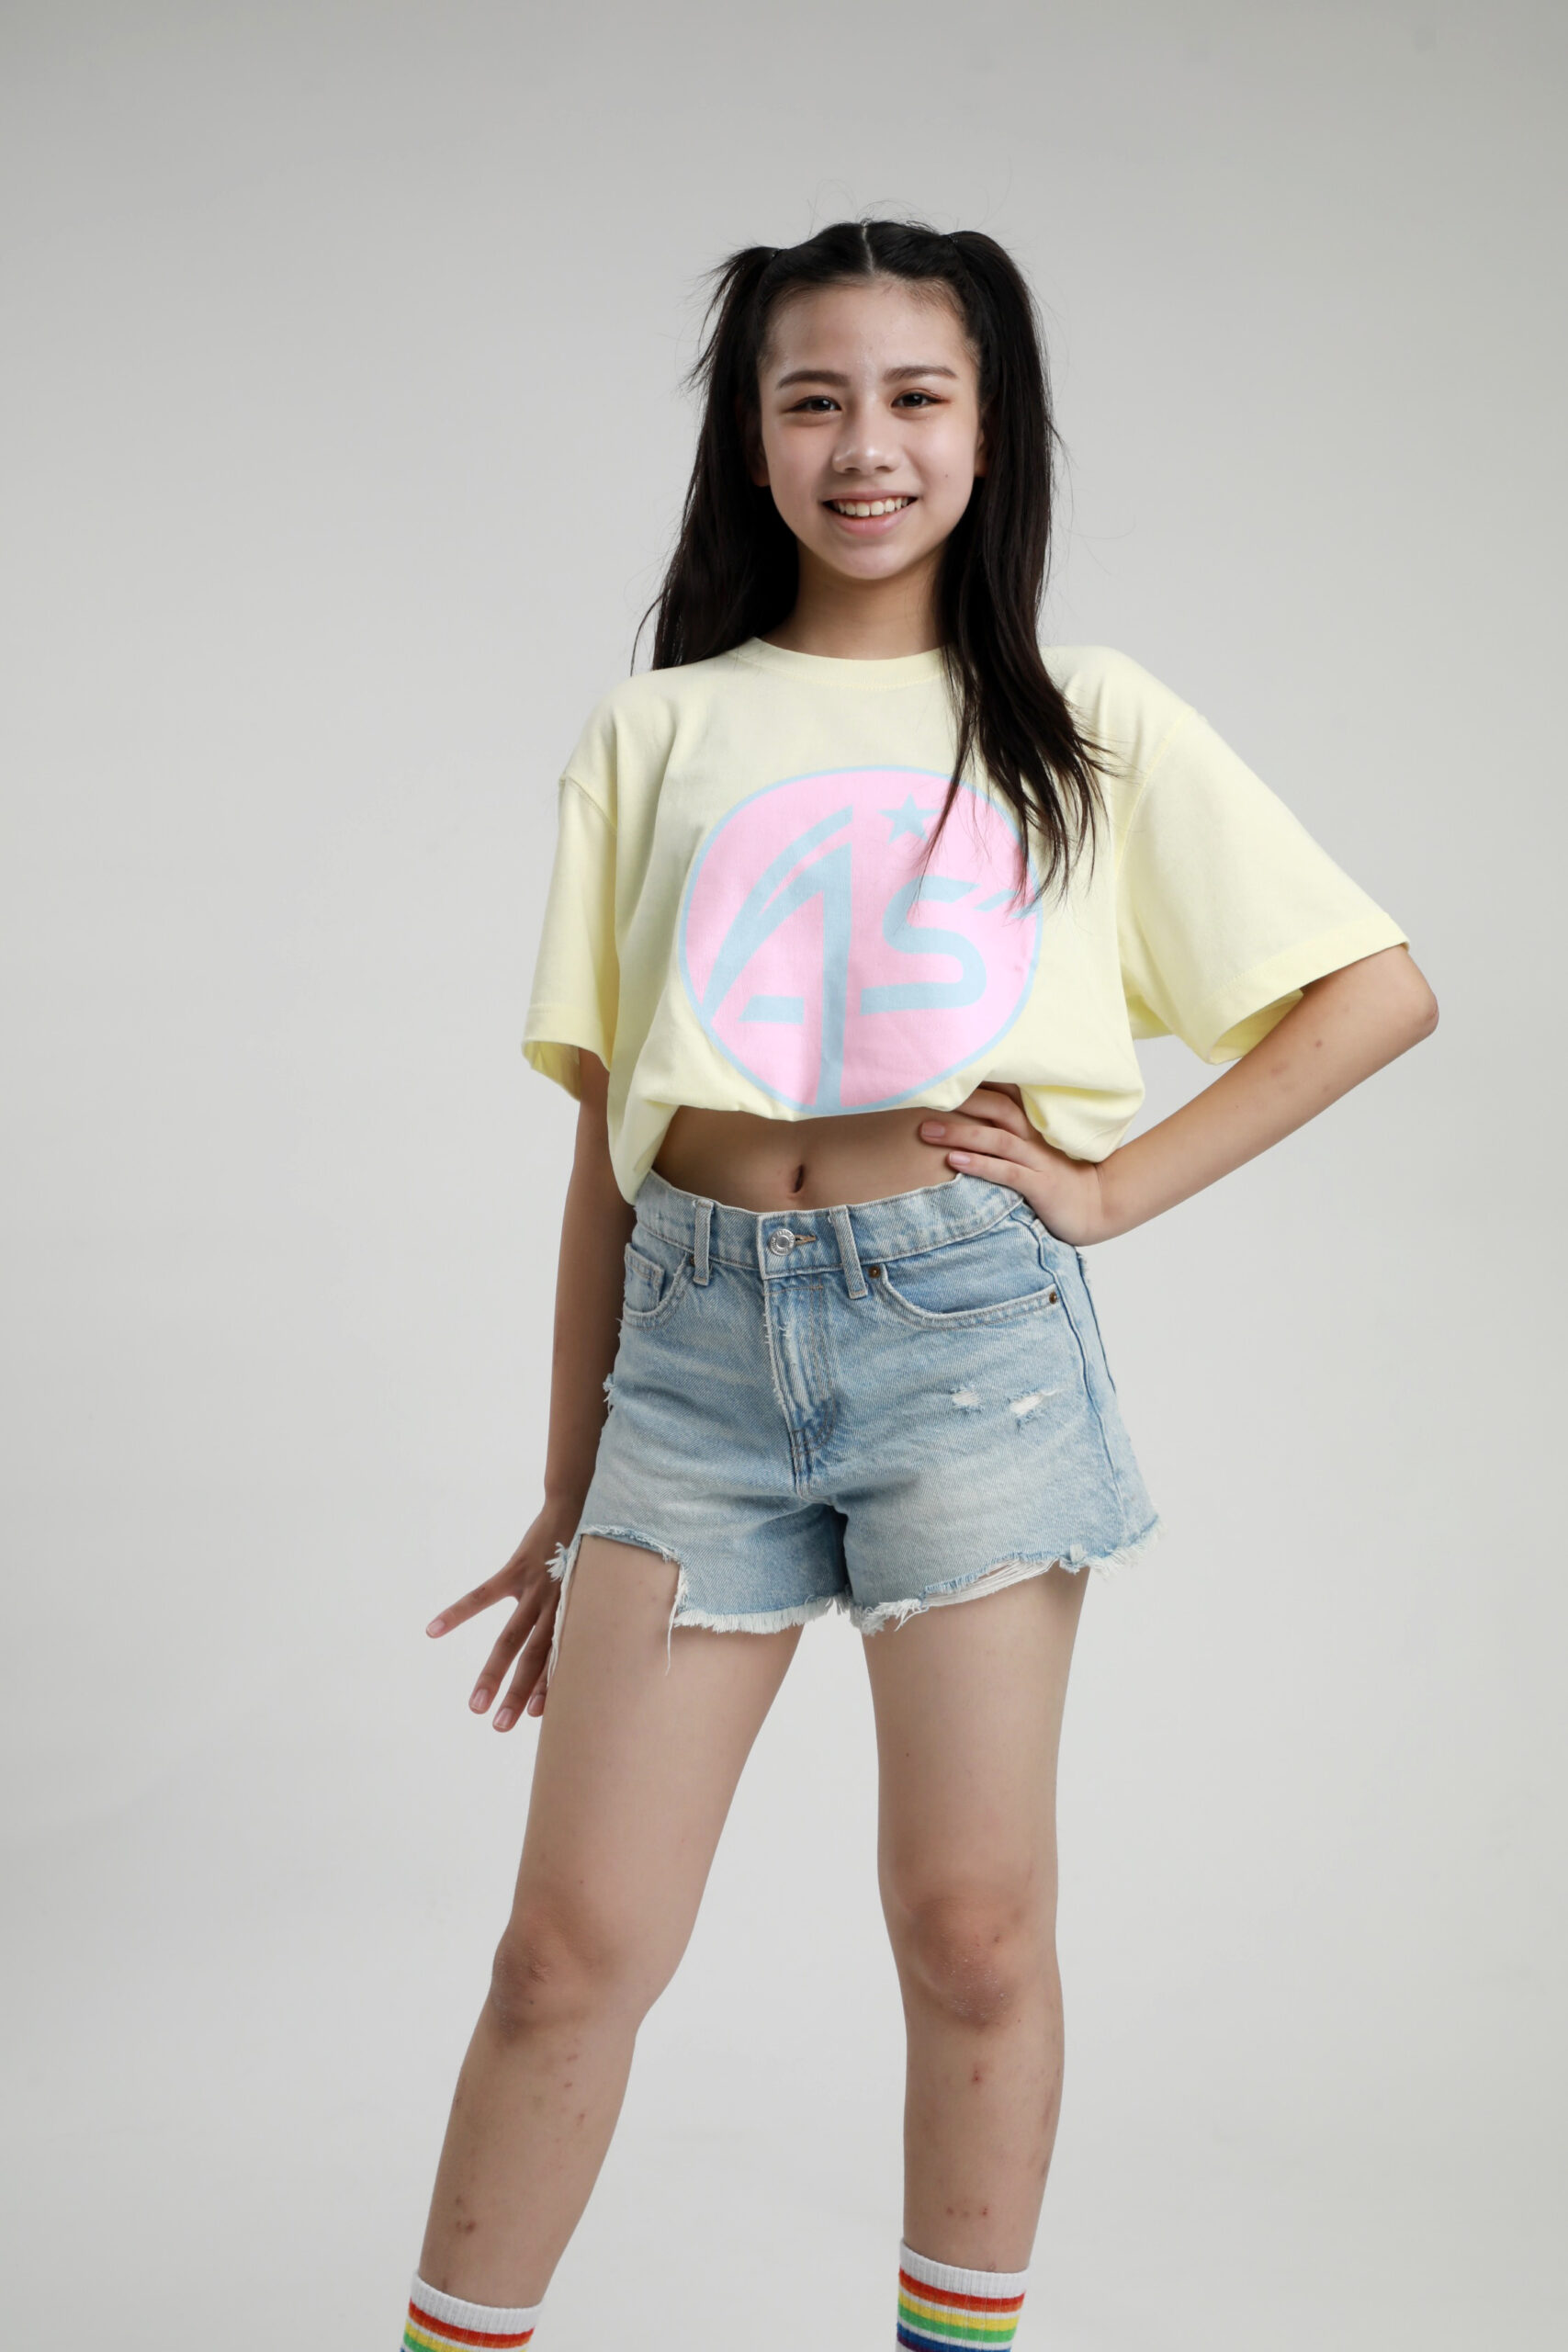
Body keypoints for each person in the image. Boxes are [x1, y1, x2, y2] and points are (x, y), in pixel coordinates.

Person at [400, 219, 1438, 2352]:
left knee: (968, 1926)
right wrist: (568, 1482)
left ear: (986, 430)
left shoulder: (1081, 720)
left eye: (912, 396)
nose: (861, 444)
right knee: (563, 1950)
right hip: (689, 1353)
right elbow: (602, 1150)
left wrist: (1108, 1187)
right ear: (750, 439)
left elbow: (1372, 989)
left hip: (965, 1342)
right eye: (811, 399)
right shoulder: (660, 729)